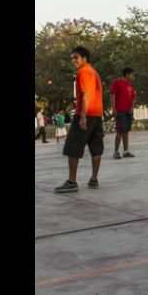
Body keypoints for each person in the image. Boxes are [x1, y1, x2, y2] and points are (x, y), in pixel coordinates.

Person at [54, 46, 105, 193]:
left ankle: (72, 182)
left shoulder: (83, 72)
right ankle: (94, 179)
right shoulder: (94, 72)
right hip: (97, 114)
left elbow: (87, 94)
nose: (73, 60)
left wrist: (82, 117)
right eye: (71, 58)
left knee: (72, 147)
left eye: (76, 57)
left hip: (86, 114)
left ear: (84, 58)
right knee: (96, 147)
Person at [109, 67, 137, 159]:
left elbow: (134, 97)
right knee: (120, 131)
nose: (133, 76)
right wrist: (113, 109)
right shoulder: (117, 82)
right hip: (120, 110)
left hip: (128, 111)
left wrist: (132, 108)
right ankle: (116, 152)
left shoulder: (130, 85)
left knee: (126, 131)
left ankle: (126, 151)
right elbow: (112, 96)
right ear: (127, 74)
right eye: (132, 74)